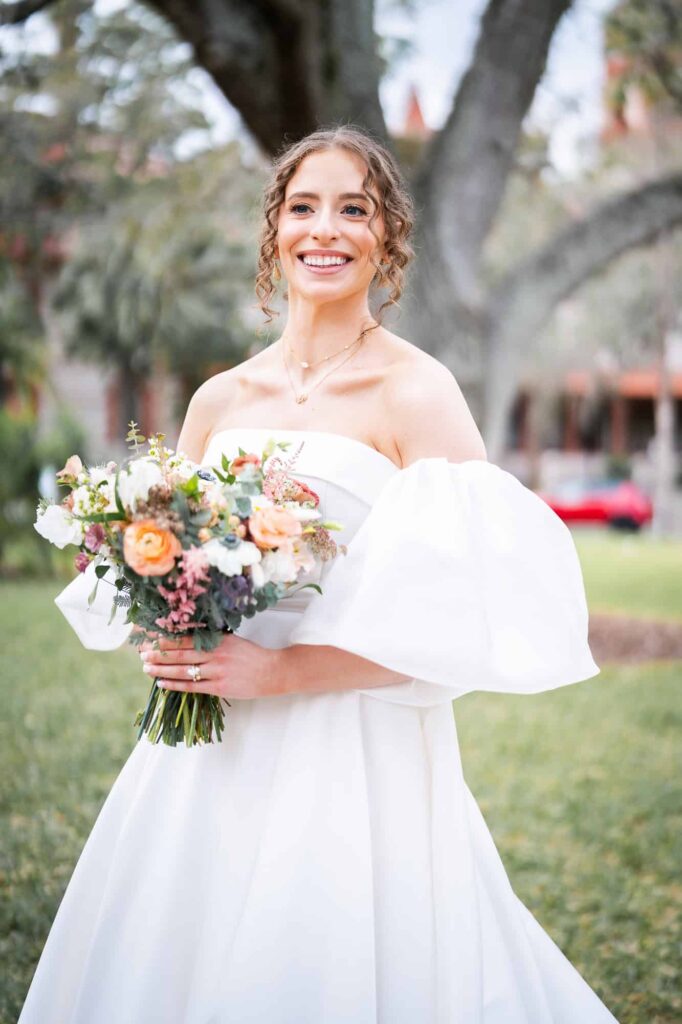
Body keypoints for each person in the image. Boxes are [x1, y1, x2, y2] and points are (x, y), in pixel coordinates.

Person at [19, 125, 621, 1023]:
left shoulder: (416, 393)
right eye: (304, 207)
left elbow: (458, 617)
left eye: (354, 209)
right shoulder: (219, 399)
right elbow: (166, 563)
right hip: (207, 749)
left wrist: (284, 672)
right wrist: (168, 625)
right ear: (275, 232)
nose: (325, 230)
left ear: (388, 237)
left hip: (354, 748)